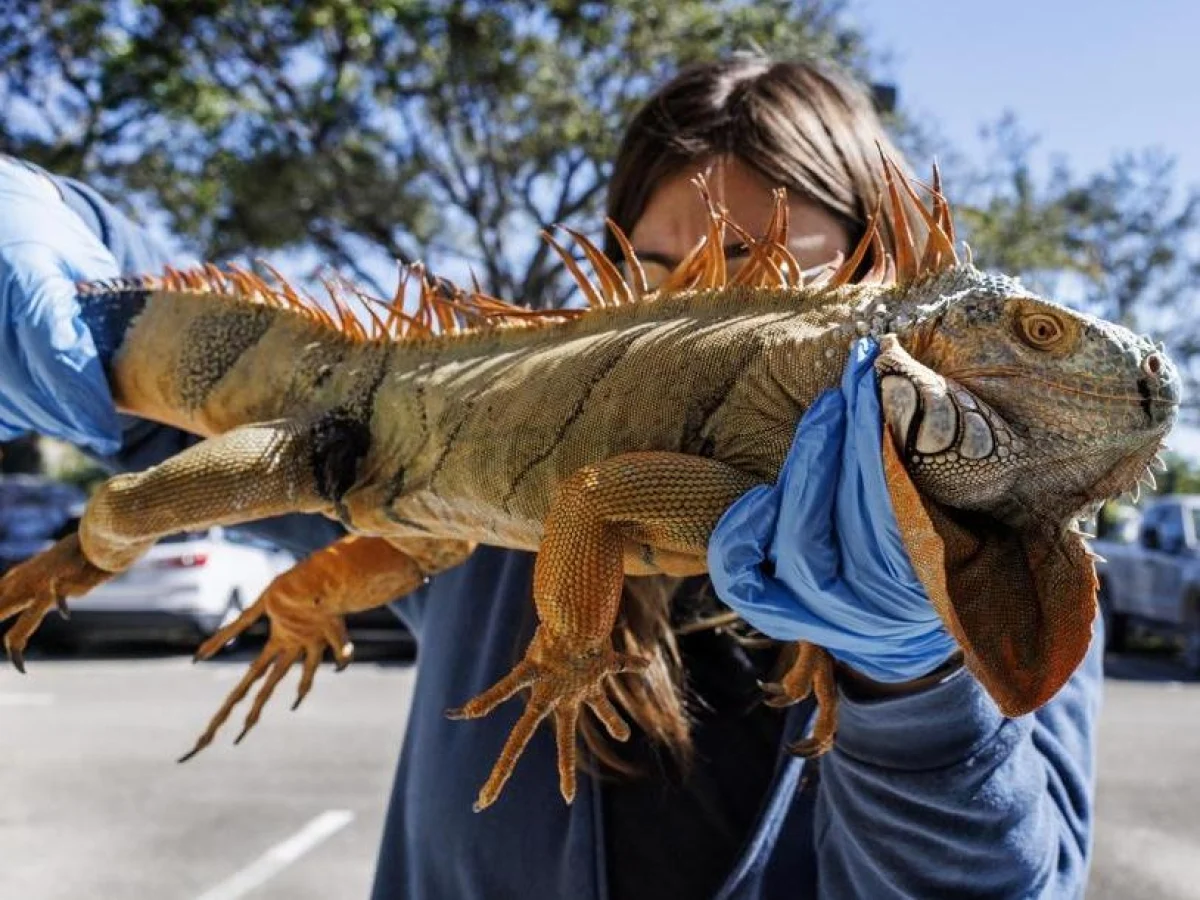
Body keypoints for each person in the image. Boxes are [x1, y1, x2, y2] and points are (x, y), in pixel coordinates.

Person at [0, 55, 1100, 900]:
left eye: (776, 277)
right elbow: (202, 405)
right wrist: (58, 227)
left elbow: (1015, 883)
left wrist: (914, 685)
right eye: (662, 274)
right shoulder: (484, 494)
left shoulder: (994, 539)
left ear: (878, 294)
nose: (701, 306)